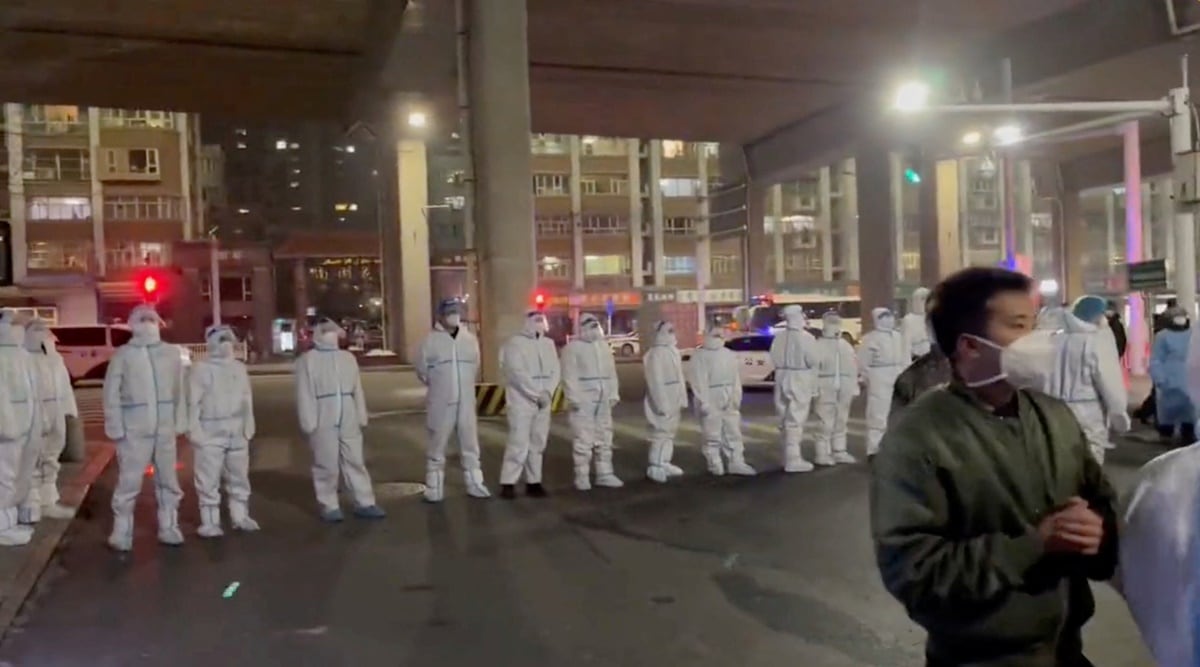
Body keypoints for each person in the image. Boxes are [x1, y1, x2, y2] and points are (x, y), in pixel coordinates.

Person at [872, 267, 1118, 667]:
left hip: (1066, 652)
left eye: (1035, 324)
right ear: (970, 346)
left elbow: (1100, 499)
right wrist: (1033, 544)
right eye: (1019, 326)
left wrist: (1097, 532)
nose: (1038, 339)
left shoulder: (1053, 415)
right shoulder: (919, 437)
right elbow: (914, 572)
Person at [103, 305, 187, 550]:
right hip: (134, 429)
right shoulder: (123, 355)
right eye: (142, 319)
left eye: (151, 319)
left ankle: (169, 526)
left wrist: (180, 420)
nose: (148, 323)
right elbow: (111, 393)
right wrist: (115, 424)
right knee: (129, 481)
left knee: (168, 479)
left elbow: (180, 389)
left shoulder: (171, 353)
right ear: (132, 324)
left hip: (165, 428)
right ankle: (122, 530)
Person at [296, 318, 385, 521]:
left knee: (355, 460)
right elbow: (304, 393)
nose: (330, 334)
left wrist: (361, 413)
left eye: (332, 330)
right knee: (325, 463)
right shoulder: (308, 360)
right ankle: (329, 504)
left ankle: (365, 501)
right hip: (322, 415)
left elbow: (357, 389)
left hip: (348, 415)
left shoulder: (347, 358)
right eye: (325, 331)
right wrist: (309, 420)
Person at [1037, 297, 1130, 464]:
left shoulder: (1052, 339)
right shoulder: (1097, 340)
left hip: (1053, 410)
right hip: (1088, 412)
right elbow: (1109, 383)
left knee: (1058, 458)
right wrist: (1119, 415)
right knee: (1089, 459)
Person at [187, 325, 259, 538]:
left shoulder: (238, 368)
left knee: (239, 475)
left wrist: (248, 423)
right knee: (208, 479)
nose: (226, 345)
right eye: (221, 340)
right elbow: (192, 402)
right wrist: (194, 430)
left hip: (237, 430)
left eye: (228, 340)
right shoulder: (200, 370)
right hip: (210, 430)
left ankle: (240, 515)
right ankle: (210, 521)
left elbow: (246, 398)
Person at [416, 298, 490, 502]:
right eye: (450, 312)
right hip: (441, 402)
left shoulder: (470, 340)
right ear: (440, 315)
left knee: (470, 444)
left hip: (466, 401)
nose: (454, 316)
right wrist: (441, 386)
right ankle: (434, 488)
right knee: (437, 444)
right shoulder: (429, 341)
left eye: (457, 311)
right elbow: (422, 371)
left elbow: (475, 366)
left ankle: (475, 483)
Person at [499, 310, 561, 498]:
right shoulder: (514, 344)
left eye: (542, 320)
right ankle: (508, 482)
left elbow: (555, 369)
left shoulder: (548, 344)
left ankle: (534, 481)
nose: (540, 323)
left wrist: (548, 392)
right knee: (518, 442)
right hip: (521, 401)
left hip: (544, 400)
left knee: (538, 442)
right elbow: (516, 373)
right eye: (536, 320)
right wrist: (536, 394)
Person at [560, 314, 623, 491]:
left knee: (605, 435)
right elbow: (569, 375)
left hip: (603, 398)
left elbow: (611, 373)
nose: (594, 329)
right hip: (584, 399)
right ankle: (582, 476)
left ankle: (605, 473)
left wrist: (613, 393)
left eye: (596, 325)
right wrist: (573, 397)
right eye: (589, 325)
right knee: (583, 437)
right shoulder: (572, 349)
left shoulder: (603, 347)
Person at [23, 319, 77, 520]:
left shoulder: (55, 359)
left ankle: (48, 502)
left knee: (51, 456)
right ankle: (31, 505)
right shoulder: (23, 360)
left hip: (55, 412)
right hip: (34, 412)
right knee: (32, 459)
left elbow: (65, 386)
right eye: (36, 330)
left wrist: (69, 411)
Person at [689, 325, 756, 477]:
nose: (718, 337)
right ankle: (714, 463)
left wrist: (736, 396)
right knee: (712, 433)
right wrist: (704, 402)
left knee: (733, 430)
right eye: (715, 334)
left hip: (728, 394)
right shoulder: (700, 356)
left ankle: (736, 462)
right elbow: (698, 381)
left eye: (720, 334)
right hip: (711, 394)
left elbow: (735, 378)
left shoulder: (728, 354)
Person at [0, 311, 38, 546]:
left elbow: (32, 393)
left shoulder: (22, 356)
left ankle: (9, 520)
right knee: (4, 475)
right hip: (9, 428)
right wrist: (7, 426)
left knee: (16, 474)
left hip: (24, 424)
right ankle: (2, 525)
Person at [768, 305, 818, 472]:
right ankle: (793, 459)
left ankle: (786, 455)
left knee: (783, 417)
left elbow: (773, 356)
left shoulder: (779, 337)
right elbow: (812, 360)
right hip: (800, 377)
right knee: (796, 418)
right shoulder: (807, 338)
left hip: (782, 376)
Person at [859, 307, 907, 457]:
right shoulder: (870, 339)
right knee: (878, 413)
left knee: (898, 411)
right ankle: (874, 449)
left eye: (889, 316)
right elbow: (863, 362)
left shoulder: (898, 336)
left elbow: (905, 356)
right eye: (884, 317)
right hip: (879, 375)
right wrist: (869, 378)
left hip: (898, 372)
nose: (888, 319)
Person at [644, 320, 688, 482]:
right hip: (663, 398)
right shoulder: (654, 354)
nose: (672, 333)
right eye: (668, 331)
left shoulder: (673, 352)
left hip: (674, 396)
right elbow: (655, 381)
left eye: (672, 330)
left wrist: (682, 397)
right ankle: (655, 465)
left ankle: (665, 461)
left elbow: (680, 377)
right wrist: (661, 403)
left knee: (670, 432)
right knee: (661, 432)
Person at [813, 312, 859, 466]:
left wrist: (854, 385)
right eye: (831, 322)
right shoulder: (818, 345)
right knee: (825, 420)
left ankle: (839, 450)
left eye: (836, 323)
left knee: (841, 419)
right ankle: (822, 452)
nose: (834, 326)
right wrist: (813, 387)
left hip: (844, 385)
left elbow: (853, 367)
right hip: (825, 384)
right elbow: (813, 368)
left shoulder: (845, 346)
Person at [1148, 306, 1195, 445]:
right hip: (1169, 379)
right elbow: (1156, 359)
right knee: (1168, 411)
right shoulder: (1162, 336)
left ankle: (1188, 436)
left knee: (1190, 412)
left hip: (1190, 378)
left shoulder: (1193, 334)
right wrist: (1160, 378)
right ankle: (1166, 435)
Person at [901, 287, 931, 360]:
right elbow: (906, 344)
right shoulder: (909, 319)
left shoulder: (932, 317)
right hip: (917, 358)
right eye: (922, 299)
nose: (925, 302)